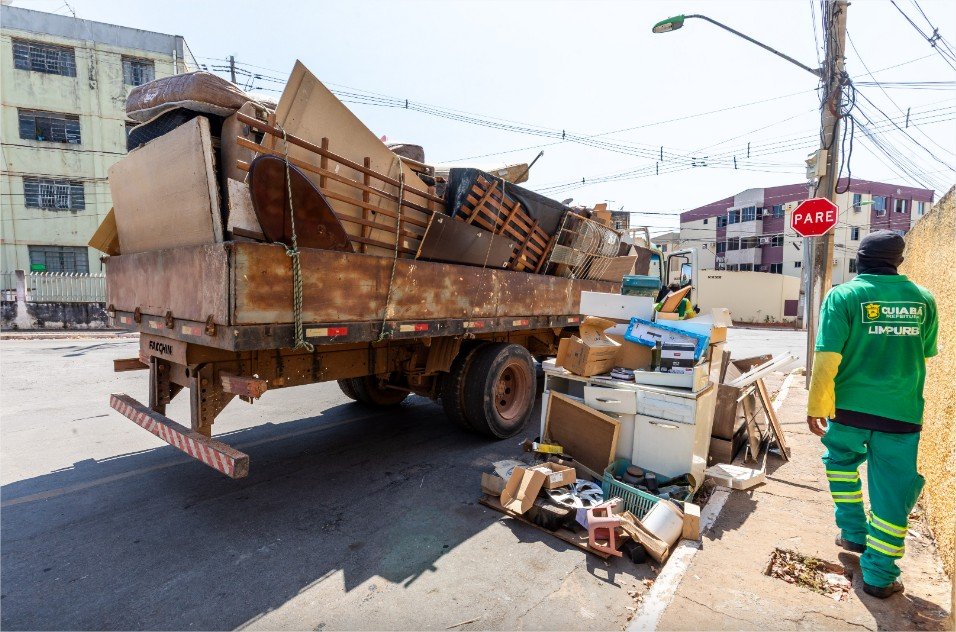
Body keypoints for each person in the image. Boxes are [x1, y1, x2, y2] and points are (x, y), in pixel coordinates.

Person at [806, 230, 938, 599]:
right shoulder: (923, 299)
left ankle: (852, 533)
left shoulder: (845, 295)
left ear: (860, 258)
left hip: (848, 408)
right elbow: (925, 350)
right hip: (901, 412)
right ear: (898, 261)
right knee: (893, 492)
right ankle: (880, 576)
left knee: (840, 464)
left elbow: (827, 357)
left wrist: (816, 406)